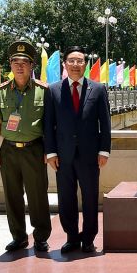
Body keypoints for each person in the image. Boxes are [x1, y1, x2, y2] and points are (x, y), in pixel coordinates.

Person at [44, 46, 111, 254]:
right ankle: (72, 237)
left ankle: (89, 238)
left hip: (90, 155)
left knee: (90, 198)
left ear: (85, 64)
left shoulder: (98, 89)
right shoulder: (54, 90)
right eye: (71, 61)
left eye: (80, 61)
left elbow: (105, 123)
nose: (75, 65)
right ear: (65, 64)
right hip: (62, 156)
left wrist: (104, 151)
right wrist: (51, 153)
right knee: (66, 198)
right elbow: (48, 124)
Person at [0, 41, 53, 254]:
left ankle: (41, 237)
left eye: (24, 62)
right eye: (15, 62)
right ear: (10, 64)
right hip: (8, 150)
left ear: (32, 65)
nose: (19, 66)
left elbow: (49, 124)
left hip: (34, 149)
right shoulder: (1, 92)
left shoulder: (43, 91)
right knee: (12, 195)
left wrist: (48, 149)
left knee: (37, 196)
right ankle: (18, 237)